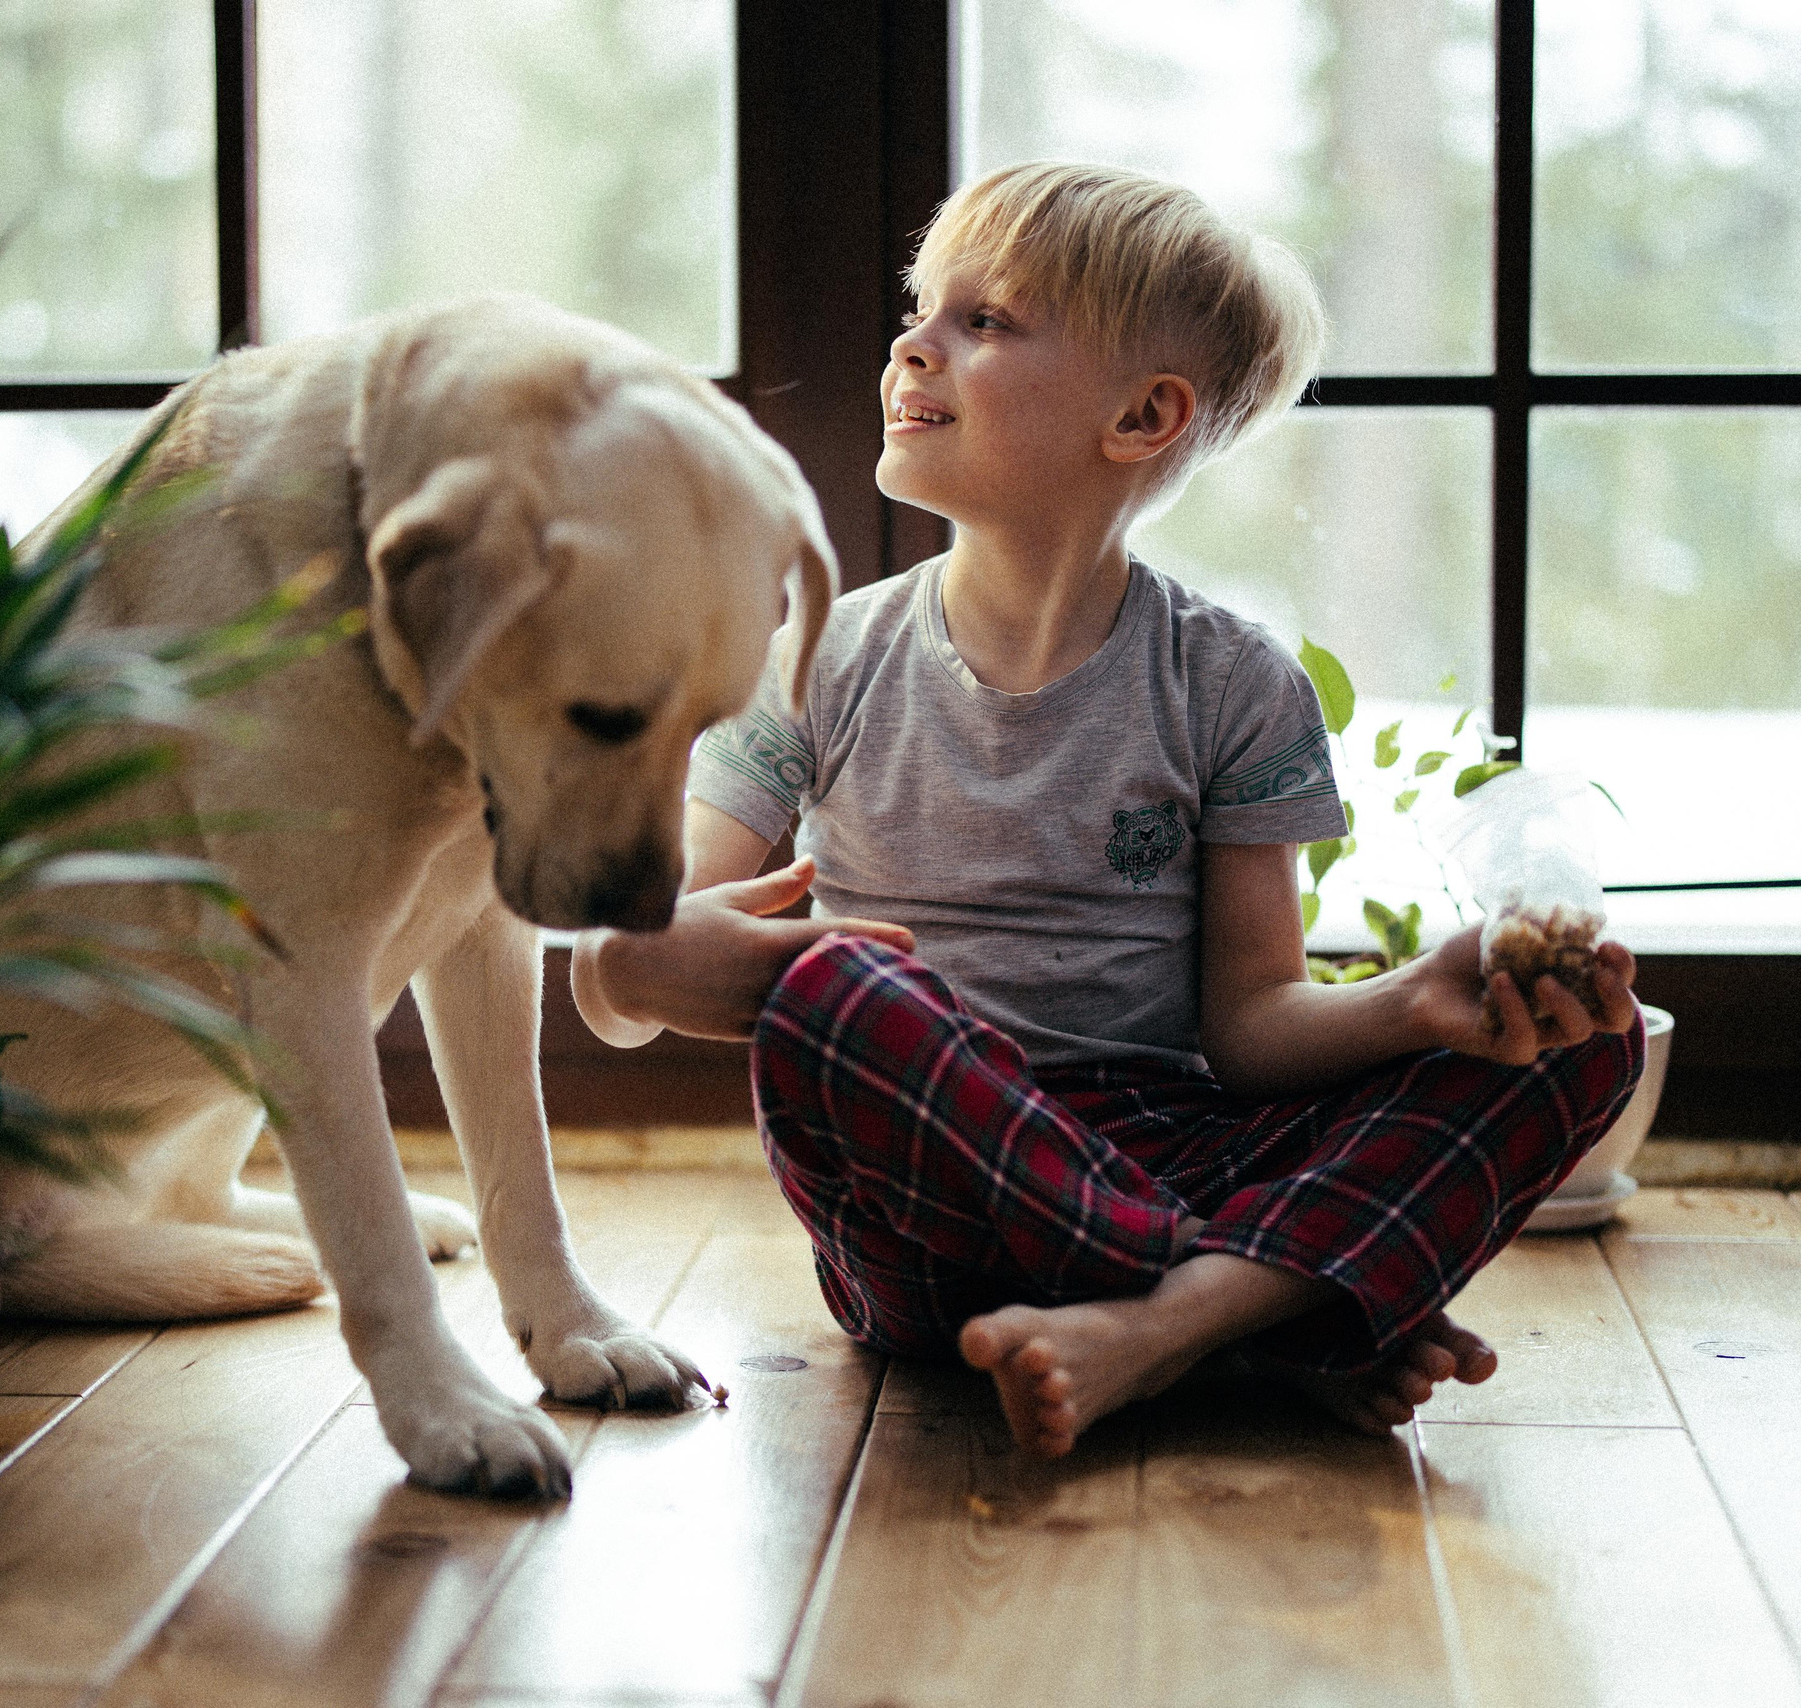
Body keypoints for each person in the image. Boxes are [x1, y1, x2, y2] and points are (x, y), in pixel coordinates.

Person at [570, 161, 1644, 1458]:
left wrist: (1417, 999)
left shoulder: (1235, 685)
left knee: (1591, 1041)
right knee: (834, 993)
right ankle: (1255, 1311)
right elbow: (620, 969)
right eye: (924, 306)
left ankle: (1162, 1330)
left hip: (1176, 1150)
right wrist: (636, 964)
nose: (914, 340)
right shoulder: (815, 664)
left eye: (987, 320)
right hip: (928, 1205)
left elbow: (1250, 1029)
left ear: (1142, 416)